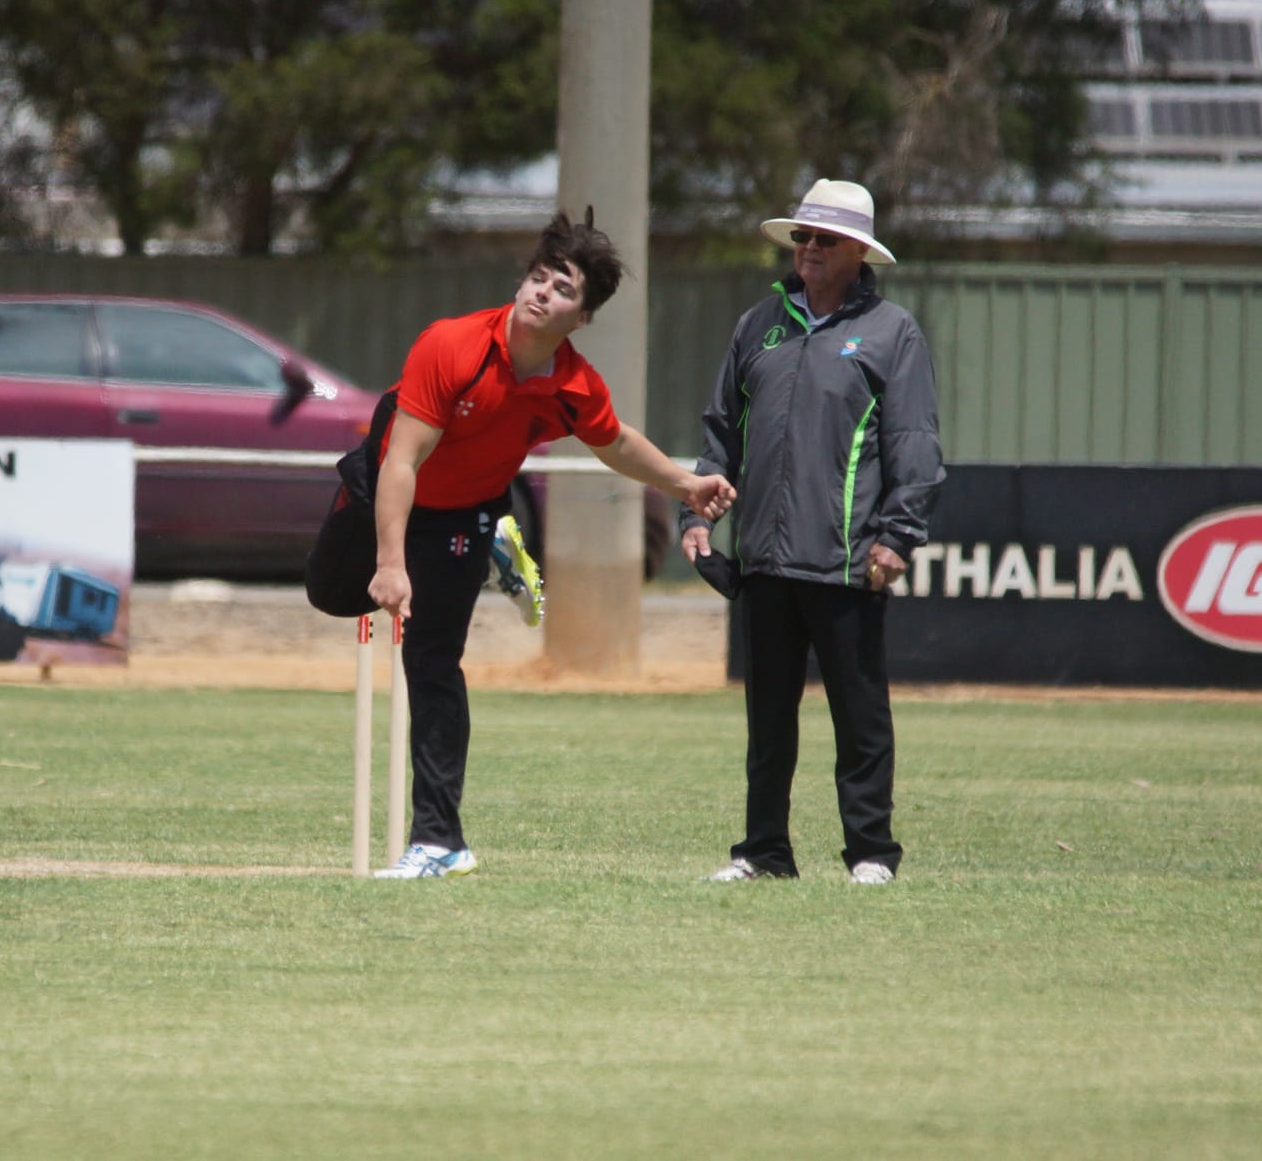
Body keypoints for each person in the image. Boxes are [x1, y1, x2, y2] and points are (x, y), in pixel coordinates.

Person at [306, 209, 736, 879]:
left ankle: (439, 840)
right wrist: (390, 563)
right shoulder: (453, 345)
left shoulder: (572, 385)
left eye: (563, 289)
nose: (542, 293)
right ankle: (500, 546)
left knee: (431, 660)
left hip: (465, 513)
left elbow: (615, 441)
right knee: (332, 593)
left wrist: (686, 484)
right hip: (389, 479)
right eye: (538, 278)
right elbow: (402, 461)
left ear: (581, 317)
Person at [680, 179, 941, 886]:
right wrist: (696, 515)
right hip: (763, 560)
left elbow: (915, 445)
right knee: (767, 722)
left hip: (849, 560)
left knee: (860, 718)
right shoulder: (757, 324)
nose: (809, 249)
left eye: (825, 239)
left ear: (859, 251)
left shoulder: (891, 333)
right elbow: (720, 434)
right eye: (802, 236)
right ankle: (764, 851)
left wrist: (897, 535)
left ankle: (871, 853)